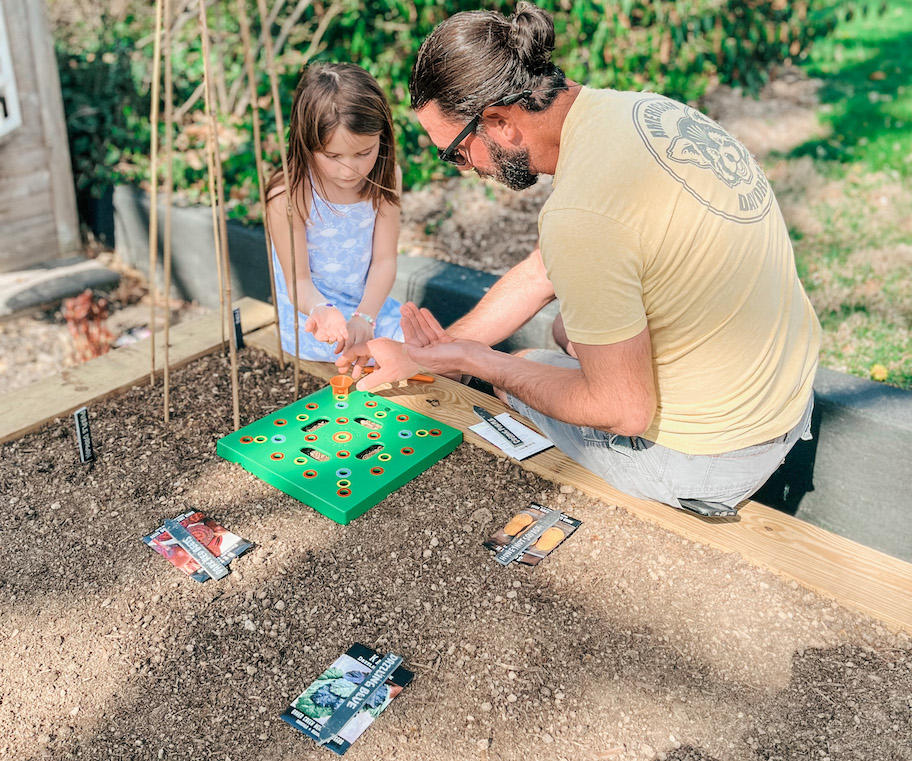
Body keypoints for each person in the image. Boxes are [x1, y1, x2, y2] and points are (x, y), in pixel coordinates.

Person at [340, 3, 821, 516]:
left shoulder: (582, 215)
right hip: (786, 399)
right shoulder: (638, 114)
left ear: (499, 123)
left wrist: (480, 362)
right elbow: (543, 271)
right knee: (571, 329)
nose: (464, 170)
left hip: (712, 458)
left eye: (456, 153)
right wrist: (434, 353)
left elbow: (624, 411)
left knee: (523, 368)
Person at [265, 62, 404, 369]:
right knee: (398, 357)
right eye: (332, 156)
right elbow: (298, 281)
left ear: (382, 137)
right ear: (306, 143)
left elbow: (384, 261)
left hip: (368, 310)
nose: (349, 170)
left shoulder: (387, 177)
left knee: (429, 347)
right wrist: (323, 309)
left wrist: (365, 317)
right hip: (315, 321)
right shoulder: (289, 195)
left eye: (363, 152)